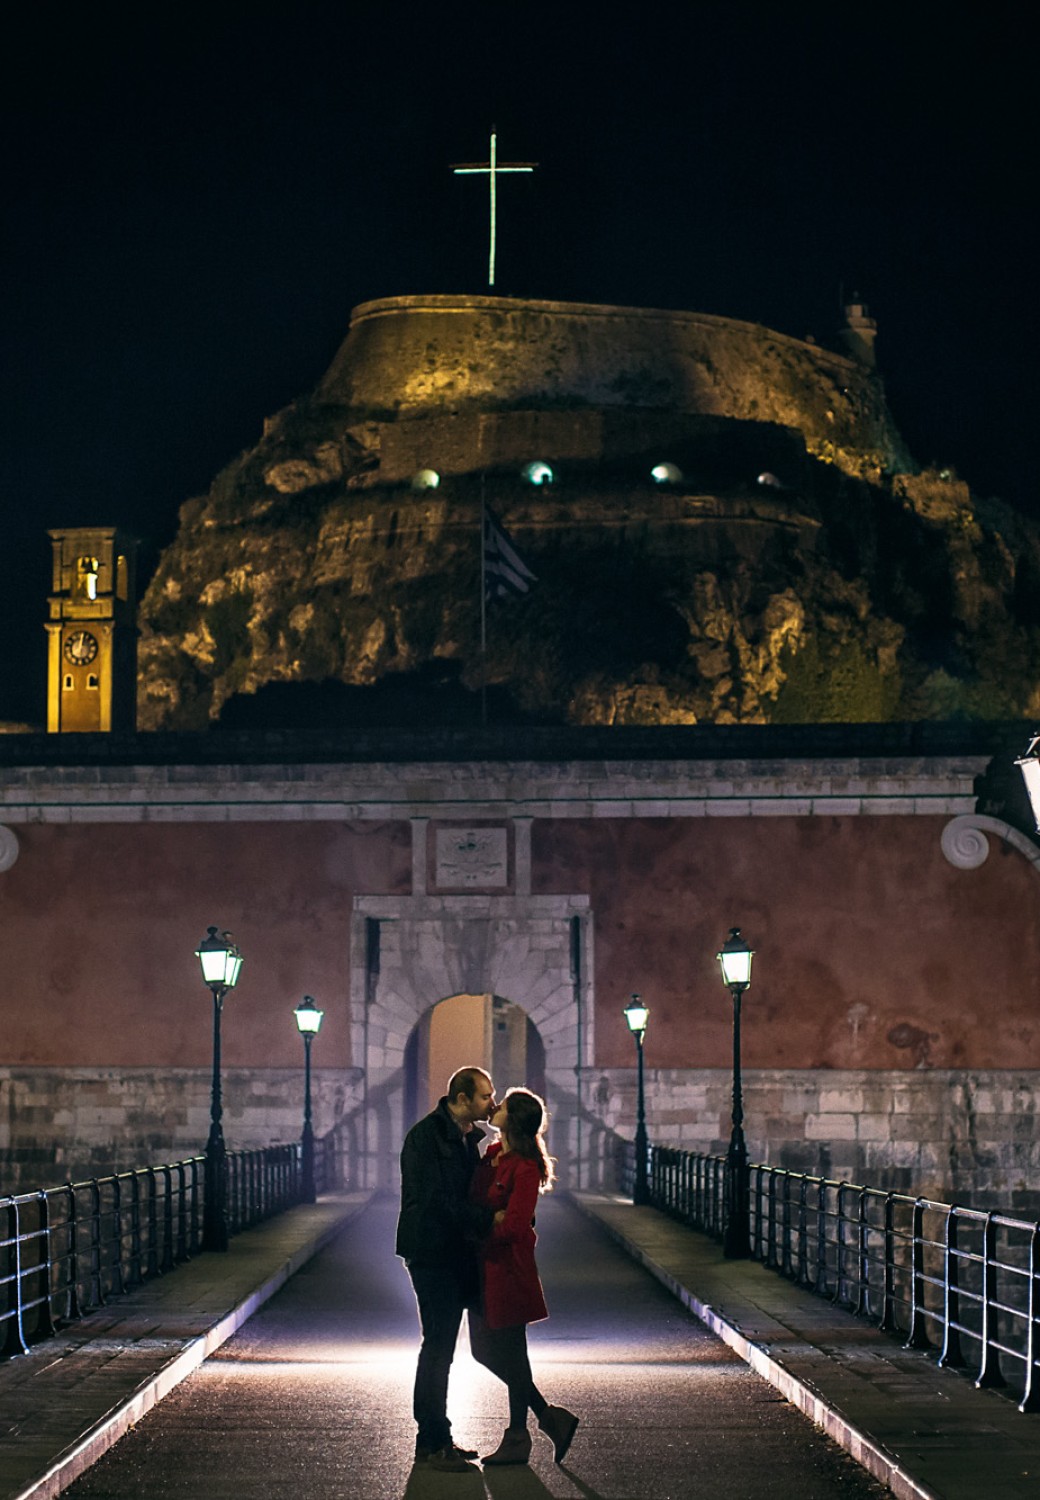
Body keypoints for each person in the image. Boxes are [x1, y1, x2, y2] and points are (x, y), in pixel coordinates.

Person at [468, 1087, 579, 1467]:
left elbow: (514, 1225)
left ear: (512, 1121)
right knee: (483, 1350)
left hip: (508, 1269)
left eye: (504, 1106)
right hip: (484, 1267)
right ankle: (549, 1417)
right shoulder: (494, 1155)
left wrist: (484, 1226)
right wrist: (486, 1220)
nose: (495, 1106)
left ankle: (518, 1435)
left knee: (512, 1352)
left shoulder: (525, 1167)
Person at [396, 1065, 496, 1472]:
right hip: (432, 1251)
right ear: (461, 1099)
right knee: (437, 1344)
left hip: (451, 1252)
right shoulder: (427, 1137)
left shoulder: (463, 1136)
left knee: (441, 1346)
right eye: (486, 1096)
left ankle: (440, 1437)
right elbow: (439, 1200)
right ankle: (431, 1442)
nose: (493, 1102)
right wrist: (488, 1221)